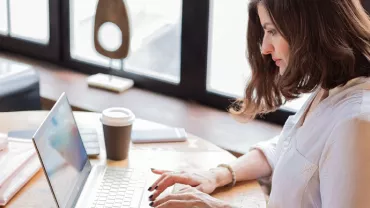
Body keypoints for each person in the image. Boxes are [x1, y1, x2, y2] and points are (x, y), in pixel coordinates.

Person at [147, 0, 370, 207]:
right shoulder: (329, 88)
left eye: (272, 31)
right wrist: (218, 174)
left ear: (309, 29)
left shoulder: (355, 123)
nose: (264, 48)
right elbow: (291, 151)